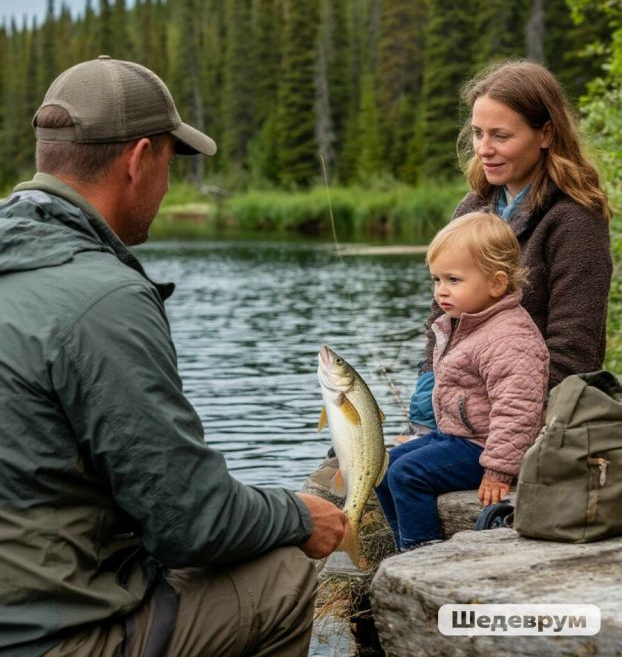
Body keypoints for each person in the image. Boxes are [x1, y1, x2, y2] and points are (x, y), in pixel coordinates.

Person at [0, 56, 347, 657]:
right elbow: (193, 518)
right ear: (138, 160)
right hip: (49, 638)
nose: (167, 181)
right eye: (169, 160)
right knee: (283, 578)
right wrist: (299, 516)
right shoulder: (104, 298)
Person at [405, 59, 612, 437]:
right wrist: (431, 393)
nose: (484, 149)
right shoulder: (473, 207)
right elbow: (442, 316)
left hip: (537, 414)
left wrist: (498, 425)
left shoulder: (575, 219)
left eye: (500, 136)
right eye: (478, 133)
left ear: (546, 134)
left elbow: (573, 350)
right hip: (459, 403)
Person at [376, 212, 549, 551]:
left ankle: (421, 551)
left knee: (407, 474)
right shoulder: (470, 323)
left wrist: (499, 470)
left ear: (497, 283)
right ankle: (401, 546)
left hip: (485, 448)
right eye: (436, 280)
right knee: (383, 468)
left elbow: (518, 408)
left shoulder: (509, 336)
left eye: (453, 280)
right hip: (458, 436)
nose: (441, 291)